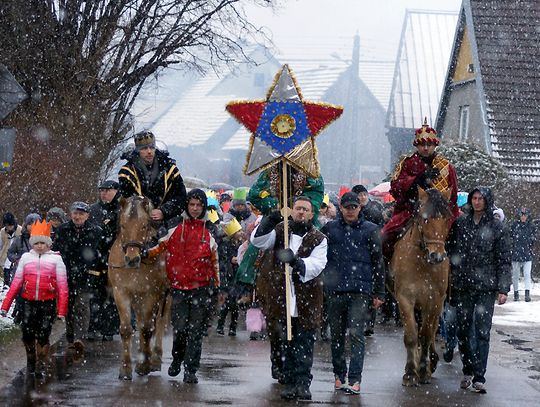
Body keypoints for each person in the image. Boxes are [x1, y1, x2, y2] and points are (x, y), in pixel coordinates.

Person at [251, 196, 328, 401]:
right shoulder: (280, 232)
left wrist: (295, 261)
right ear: (291, 211)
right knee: (285, 343)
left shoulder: (319, 238)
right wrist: (270, 219)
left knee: (304, 343)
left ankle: (303, 383)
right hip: (281, 298)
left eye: (305, 209)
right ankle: (288, 381)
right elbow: (259, 241)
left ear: (312, 214)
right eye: (297, 208)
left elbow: (316, 265)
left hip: (307, 299)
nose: (301, 212)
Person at [147, 189, 220, 384]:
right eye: (192, 205)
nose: (195, 209)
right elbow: (158, 247)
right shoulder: (175, 228)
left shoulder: (210, 231)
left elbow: (215, 261)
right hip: (179, 288)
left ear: (204, 207)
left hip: (202, 288)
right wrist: (141, 254)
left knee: (195, 331)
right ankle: (177, 358)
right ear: (187, 206)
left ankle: (191, 369)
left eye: (199, 205)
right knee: (180, 329)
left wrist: (219, 286)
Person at [447, 186, 511, 394]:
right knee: (463, 329)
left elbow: (504, 260)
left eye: (480, 198)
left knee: (483, 331)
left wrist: (503, 288)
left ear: (487, 201)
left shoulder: (496, 226)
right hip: (464, 285)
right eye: (474, 198)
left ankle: (479, 376)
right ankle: (467, 369)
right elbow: (451, 249)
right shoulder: (461, 223)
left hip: (486, 286)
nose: (476, 202)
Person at [321, 192, 385, 395]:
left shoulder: (371, 230)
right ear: (341, 208)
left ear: (359, 208)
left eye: (354, 207)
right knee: (337, 336)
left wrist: (379, 292)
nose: (350, 210)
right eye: (347, 207)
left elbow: (378, 262)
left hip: (360, 291)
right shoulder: (330, 229)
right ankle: (339, 375)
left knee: (357, 334)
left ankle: (355, 379)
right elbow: (321, 256)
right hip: (336, 289)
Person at [382, 120, 459, 263]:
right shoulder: (407, 163)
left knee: (458, 239)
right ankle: (385, 270)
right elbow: (396, 187)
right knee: (385, 235)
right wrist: (416, 181)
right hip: (410, 210)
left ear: (435, 145)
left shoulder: (446, 167)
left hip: (440, 214)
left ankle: (456, 275)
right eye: (422, 145)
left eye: (429, 145)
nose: (425, 148)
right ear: (417, 146)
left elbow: (453, 194)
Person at [1, 220, 68, 377]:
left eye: (43, 243)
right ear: (32, 243)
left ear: (48, 244)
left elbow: (63, 288)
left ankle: (41, 361)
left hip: (47, 303)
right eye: (36, 243)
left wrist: (61, 311)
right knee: (28, 334)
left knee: (44, 334)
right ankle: (31, 359)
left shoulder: (56, 260)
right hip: (28, 302)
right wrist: (5, 306)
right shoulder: (25, 258)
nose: (39, 246)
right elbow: (16, 283)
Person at [52, 201, 104, 353]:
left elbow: (99, 254)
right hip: (66, 274)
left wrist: (96, 271)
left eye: (81, 214)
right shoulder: (62, 229)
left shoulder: (96, 231)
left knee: (82, 305)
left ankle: (79, 337)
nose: (77, 216)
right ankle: (70, 335)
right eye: (75, 213)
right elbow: (56, 250)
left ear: (87, 215)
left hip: (86, 275)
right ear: (70, 214)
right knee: (68, 305)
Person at [118, 131, 187, 227]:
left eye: (151, 147)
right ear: (138, 151)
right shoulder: (127, 172)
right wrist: (146, 212)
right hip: (137, 223)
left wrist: (164, 211)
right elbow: (128, 201)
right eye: (144, 148)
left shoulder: (170, 169)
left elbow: (181, 197)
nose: (149, 151)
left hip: (168, 222)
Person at [89, 179, 121, 340]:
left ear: (116, 191)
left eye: (107, 190)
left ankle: (110, 328)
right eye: (101, 190)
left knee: (114, 294)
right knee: (96, 293)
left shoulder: (121, 209)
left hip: (116, 258)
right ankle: (94, 326)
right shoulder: (93, 209)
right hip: (97, 257)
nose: (104, 193)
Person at [7, 213, 42, 324]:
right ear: (26, 225)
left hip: (36, 274)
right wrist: (16, 259)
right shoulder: (20, 240)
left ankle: (27, 316)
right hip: (20, 273)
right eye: (30, 224)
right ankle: (19, 312)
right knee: (20, 296)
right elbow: (10, 252)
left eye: (35, 224)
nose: (32, 226)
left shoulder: (43, 240)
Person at [216, 218, 245, 337]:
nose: (241, 233)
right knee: (228, 303)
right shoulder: (224, 244)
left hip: (236, 277)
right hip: (228, 276)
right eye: (238, 231)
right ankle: (221, 325)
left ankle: (231, 327)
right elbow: (222, 259)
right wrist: (230, 260)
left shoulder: (240, 244)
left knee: (234, 304)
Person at [510, 207, 536, 302]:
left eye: (525, 215)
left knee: (527, 274)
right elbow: (511, 238)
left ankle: (527, 294)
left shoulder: (531, 226)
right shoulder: (514, 225)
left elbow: (534, 239)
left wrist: (529, 244)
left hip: (527, 253)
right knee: (515, 275)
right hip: (516, 253)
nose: (523, 217)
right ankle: (516, 293)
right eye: (522, 215)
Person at [0, 212, 21, 289]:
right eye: (7, 225)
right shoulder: (2, 231)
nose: (9, 227)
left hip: (17, 254)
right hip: (5, 254)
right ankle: (6, 284)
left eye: (10, 225)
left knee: (15, 269)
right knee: (6, 266)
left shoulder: (20, 230)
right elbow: (0, 244)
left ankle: (13, 285)